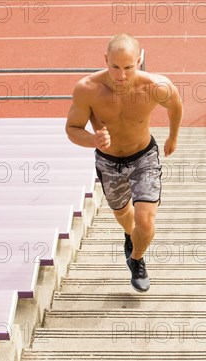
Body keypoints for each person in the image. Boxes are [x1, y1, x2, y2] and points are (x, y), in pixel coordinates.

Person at [65, 33, 183, 292]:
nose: (121, 74)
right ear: (106, 60)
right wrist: (93, 140)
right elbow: (72, 129)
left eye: (128, 67)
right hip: (109, 162)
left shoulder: (155, 86)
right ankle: (130, 236)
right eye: (115, 67)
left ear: (139, 61)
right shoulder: (87, 89)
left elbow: (175, 105)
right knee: (122, 215)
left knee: (146, 221)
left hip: (144, 157)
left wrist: (173, 137)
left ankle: (137, 259)